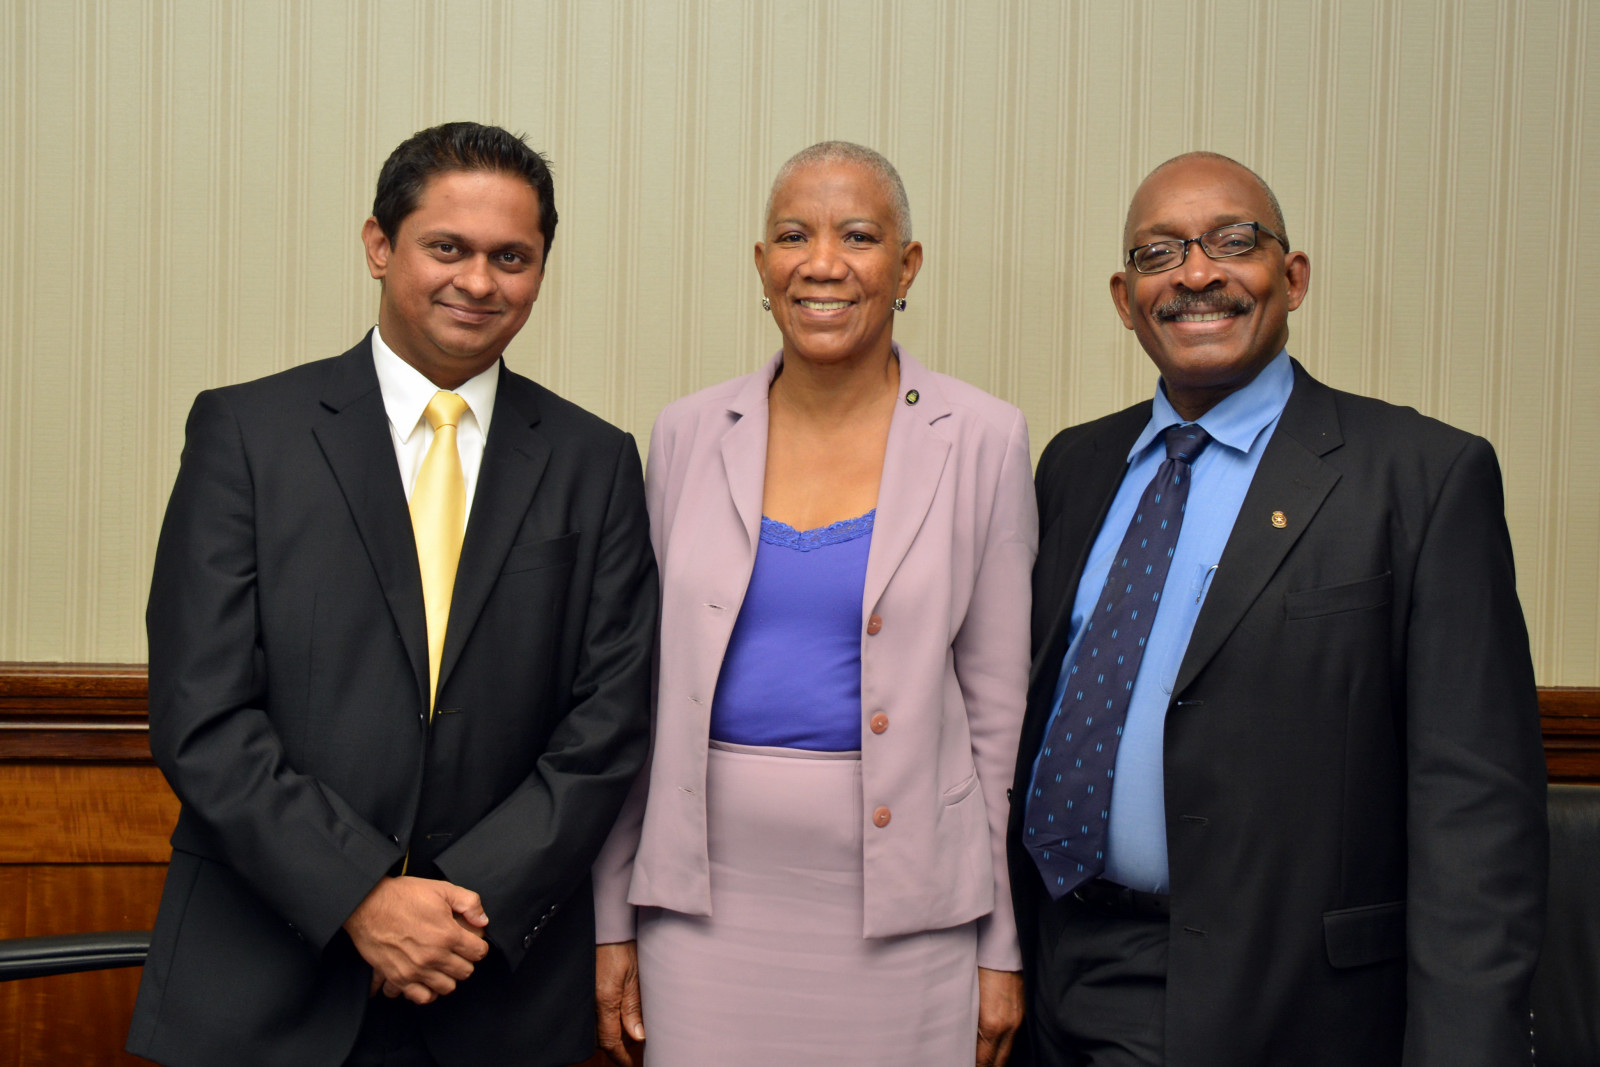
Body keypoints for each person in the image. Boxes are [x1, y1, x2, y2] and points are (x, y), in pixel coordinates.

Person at [127, 122, 657, 1067]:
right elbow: (200, 713)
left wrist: (453, 913)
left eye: (511, 257)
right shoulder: (246, 434)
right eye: (447, 247)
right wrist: (362, 897)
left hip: (491, 986)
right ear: (379, 245)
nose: (479, 281)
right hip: (263, 984)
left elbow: (607, 722)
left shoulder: (597, 461)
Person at [1007, 150, 1548, 1066]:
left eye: (1233, 241)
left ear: (1291, 277)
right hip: (1051, 971)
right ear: (1125, 298)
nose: (1195, 273)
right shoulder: (1075, 465)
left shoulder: (1419, 477)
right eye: (1159, 253)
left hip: (1279, 1001)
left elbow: (1477, 813)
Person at [591, 141, 1036, 1066]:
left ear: (906, 266)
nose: (823, 262)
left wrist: (1000, 941)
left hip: (912, 912)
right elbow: (640, 693)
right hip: (701, 909)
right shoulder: (684, 433)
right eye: (794, 236)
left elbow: (998, 719)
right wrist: (612, 917)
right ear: (763, 265)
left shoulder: (985, 438)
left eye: (859, 236)